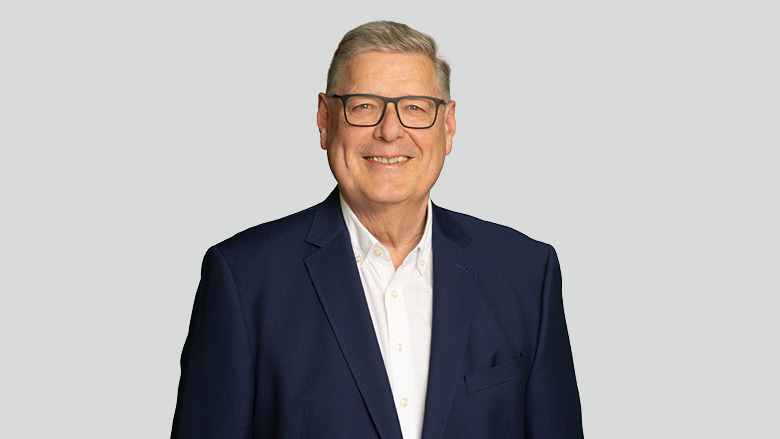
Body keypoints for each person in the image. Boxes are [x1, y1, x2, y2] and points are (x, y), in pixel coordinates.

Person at [171, 20, 583, 439]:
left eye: (416, 108)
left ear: (448, 126)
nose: (389, 131)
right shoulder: (244, 278)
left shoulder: (526, 273)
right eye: (364, 106)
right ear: (325, 119)